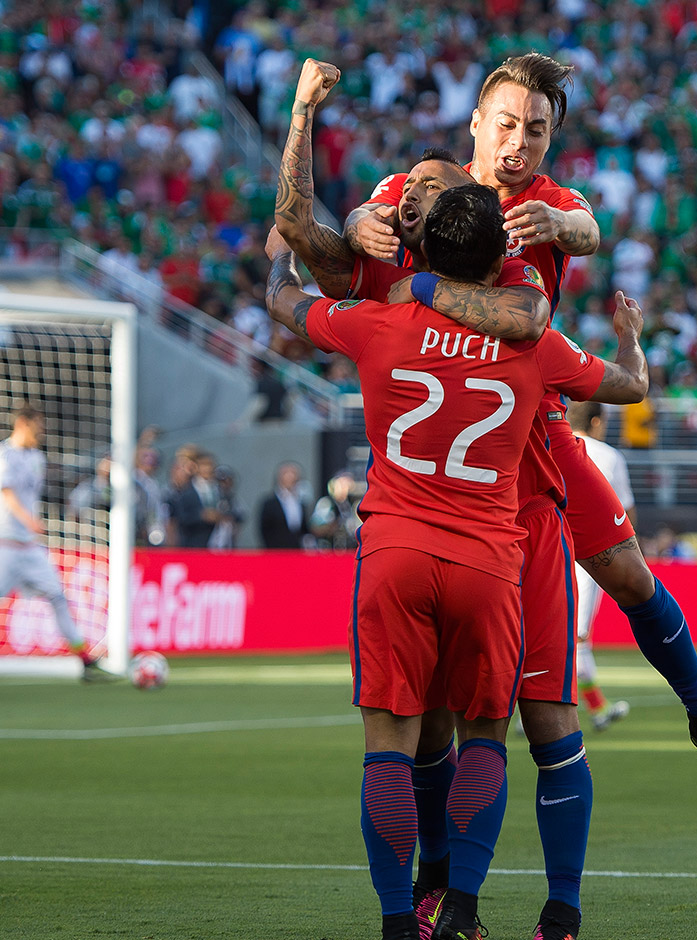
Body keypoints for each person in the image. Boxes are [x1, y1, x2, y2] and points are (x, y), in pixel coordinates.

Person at [281, 56, 697, 940]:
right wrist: (357, 220)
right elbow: (356, 224)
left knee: (621, 574)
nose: (517, 143)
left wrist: (563, 227)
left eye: (536, 129)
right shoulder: (416, 191)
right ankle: (445, 888)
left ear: (550, 136)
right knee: (458, 717)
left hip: (531, 431)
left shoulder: (547, 200)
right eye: (505, 123)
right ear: (475, 121)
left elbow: (582, 229)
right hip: (462, 468)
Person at [266, 181, 649, 940]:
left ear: (424, 252)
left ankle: (397, 923)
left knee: (390, 749)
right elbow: (628, 386)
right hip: (488, 562)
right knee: (484, 738)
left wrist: (278, 259)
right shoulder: (531, 340)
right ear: (502, 255)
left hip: (395, 550)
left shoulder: (376, 324)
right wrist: (632, 339)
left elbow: (288, 306)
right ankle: (463, 908)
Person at [0, 406, 119, 690]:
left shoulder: (36, 457)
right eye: (37, 426)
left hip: (29, 547)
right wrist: (29, 520)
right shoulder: (1, 455)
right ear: (22, 424)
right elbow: (6, 493)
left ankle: (85, 662)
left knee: (57, 596)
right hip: (3, 545)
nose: (41, 432)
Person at [565, 400, 632, 733]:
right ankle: (536, 707)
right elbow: (626, 510)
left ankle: (596, 707)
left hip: (547, 551)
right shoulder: (608, 455)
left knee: (560, 635)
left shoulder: (551, 447)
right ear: (596, 422)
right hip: (590, 557)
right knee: (577, 638)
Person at [258, 461, 312, 548]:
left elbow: (303, 529)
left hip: (296, 551)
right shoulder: (269, 503)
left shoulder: (300, 502)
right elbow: (264, 529)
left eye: (294, 474)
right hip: (276, 551)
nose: (291, 477)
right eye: (287, 473)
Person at [311, 471, 364, 550]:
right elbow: (315, 528)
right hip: (329, 549)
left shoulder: (349, 505)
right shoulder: (326, 503)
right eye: (342, 484)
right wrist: (332, 527)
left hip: (347, 548)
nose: (345, 487)